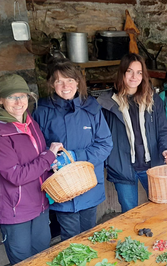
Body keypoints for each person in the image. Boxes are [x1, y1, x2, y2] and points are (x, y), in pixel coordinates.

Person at [0, 74, 63, 264]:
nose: (19, 102)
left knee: (42, 259)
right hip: (15, 210)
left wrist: (50, 165)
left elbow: (38, 159)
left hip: (40, 203)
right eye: (11, 97)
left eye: (22, 96)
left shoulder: (29, 122)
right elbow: (15, 175)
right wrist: (48, 156)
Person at [34, 59, 113, 240]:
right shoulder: (42, 111)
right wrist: (50, 157)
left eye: (70, 80)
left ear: (78, 82)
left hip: (89, 184)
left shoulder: (91, 108)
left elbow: (105, 144)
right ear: (52, 84)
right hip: (62, 187)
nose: (65, 85)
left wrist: (76, 156)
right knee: (70, 238)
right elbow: (35, 146)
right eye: (59, 81)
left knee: (90, 234)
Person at [97, 53, 167, 213]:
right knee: (129, 214)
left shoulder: (152, 99)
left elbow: (163, 129)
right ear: (122, 73)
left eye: (139, 72)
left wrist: (166, 148)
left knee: (161, 209)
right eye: (130, 71)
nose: (134, 76)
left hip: (153, 165)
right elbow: (102, 137)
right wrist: (108, 161)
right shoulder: (107, 103)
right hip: (123, 167)